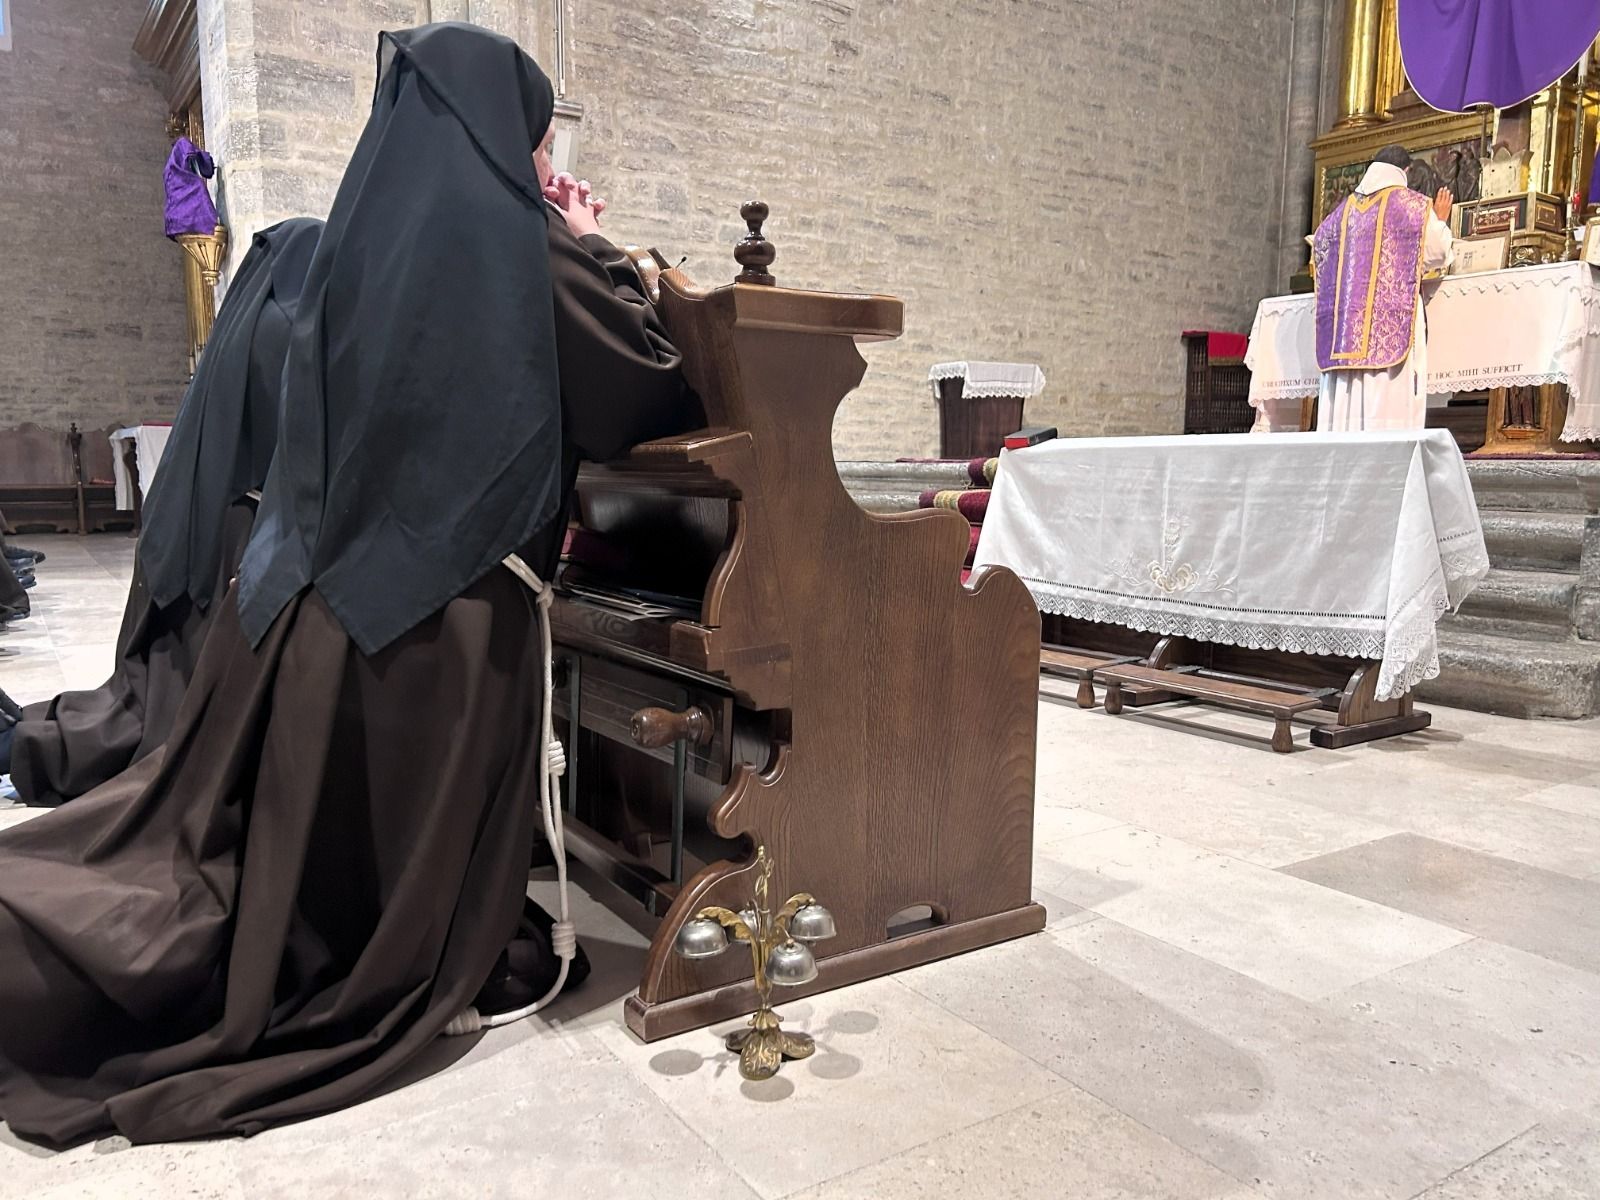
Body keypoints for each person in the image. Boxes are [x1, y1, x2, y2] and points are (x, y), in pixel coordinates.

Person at [0, 23, 697, 1145]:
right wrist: (586, 238)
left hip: (310, 617)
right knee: (344, 924)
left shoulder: (343, 251)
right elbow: (648, 395)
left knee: (269, 868)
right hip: (442, 628)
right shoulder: (526, 248)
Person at [2, 218, 323, 804]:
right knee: (161, 717)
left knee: (142, 695)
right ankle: (25, 744)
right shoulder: (291, 330)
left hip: (201, 528)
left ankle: (24, 732)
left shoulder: (243, 327)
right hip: (248, 537)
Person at [1312, 143, 1454, 432]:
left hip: (1343, 338)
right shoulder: (1412, 207)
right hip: (1390, 330)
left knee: (1344, 420)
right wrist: (1440, 221)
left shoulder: (1337, 217)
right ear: (1405, 171)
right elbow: (1437, 251)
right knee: (1388, 413)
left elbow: (1320, 254)